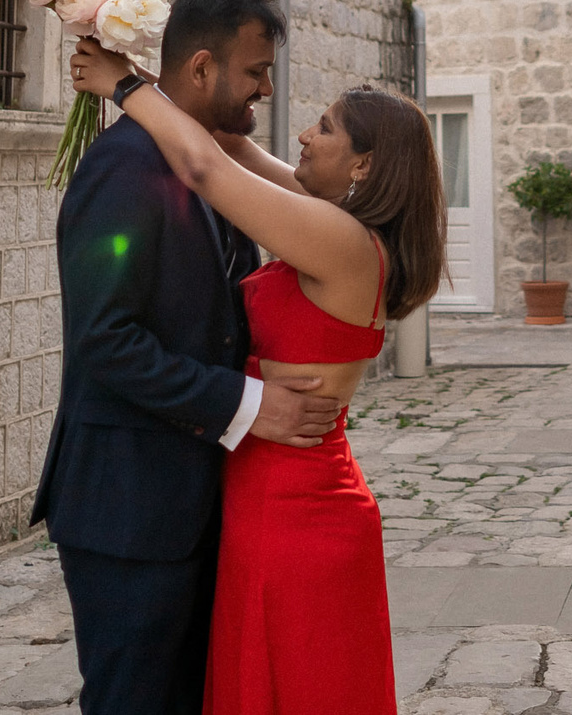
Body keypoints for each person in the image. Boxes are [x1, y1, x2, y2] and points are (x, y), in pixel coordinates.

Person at [70, 39, 446, 715]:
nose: (305, 132)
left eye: (325, 127)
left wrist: (123, 86)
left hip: (296, 510)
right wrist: (176, 75)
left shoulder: (342, 242)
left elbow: (206, 167)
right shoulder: (333, 223)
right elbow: (233, 147)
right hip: (267, 495)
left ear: (364, 163)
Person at [32, 0, 341, 715]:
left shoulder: (209, 164)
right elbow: (106, 341)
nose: (266, 89)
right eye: (257, 71)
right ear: (202, 68)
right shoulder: (122, 168)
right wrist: (249, 404)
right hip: (130, 514)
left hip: (194, 508)